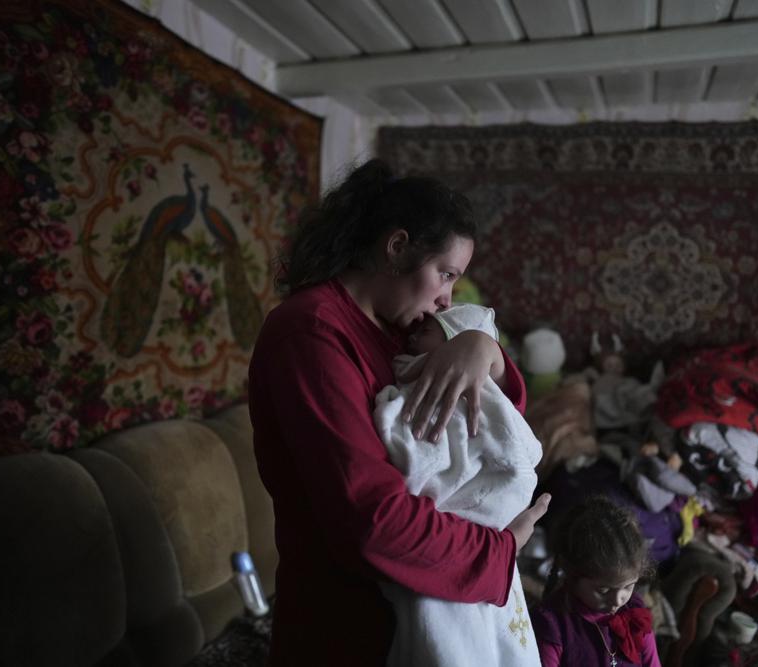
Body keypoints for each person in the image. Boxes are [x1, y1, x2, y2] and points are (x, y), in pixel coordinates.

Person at [248, 158, 551, 666]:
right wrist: (499, 552)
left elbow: (492, 428)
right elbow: (373, 520)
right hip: (350, 631)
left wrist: (484, 351)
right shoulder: (310, 333)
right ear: (396, 248)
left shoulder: (401, 333)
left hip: (407, 613)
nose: (446, 299)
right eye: (445, 274)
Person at [373, 303, 543, 666]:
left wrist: (483, 347)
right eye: (445, 274)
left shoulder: (463, 386)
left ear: (452, 342)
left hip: (478, 531)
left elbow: (512, 446)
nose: (418, 329)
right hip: (455, 542)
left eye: (431, 330)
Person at [531, 495, 661, 667]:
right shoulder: (552, 625)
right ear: (573, 575)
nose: (618, 600)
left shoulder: (634, 610)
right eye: (604, 590)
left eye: (629, 587)